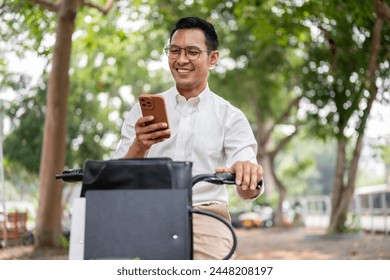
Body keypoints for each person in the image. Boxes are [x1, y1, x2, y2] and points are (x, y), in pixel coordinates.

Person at [114, 16, 264, 259]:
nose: (181, 60)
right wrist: (138, 147)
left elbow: (248, 189)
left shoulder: (231, 117)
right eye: (175, 51)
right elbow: (115, 180)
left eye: (192, 52)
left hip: (206, 218)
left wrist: (247, 173)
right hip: (146, 216)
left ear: (212, 58)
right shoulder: (141, 111)